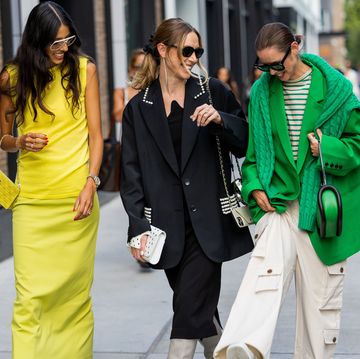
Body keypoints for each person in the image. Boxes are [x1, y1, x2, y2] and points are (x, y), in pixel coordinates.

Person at [214, 22, 360, 359]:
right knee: (261, 281)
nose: (271, 72)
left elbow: (356, 144)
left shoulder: (335, 88)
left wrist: (328, 148)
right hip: (279, 206)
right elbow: (252, 157)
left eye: (277, 64)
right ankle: (242, 348)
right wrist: (254, 188)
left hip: (321, 211)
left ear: (295, 46)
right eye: (263, 66)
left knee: (318, 310)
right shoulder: (263, 92)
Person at [120, 17, 253, 359]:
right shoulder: (139, 108)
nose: (194, 58)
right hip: (166, 228)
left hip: (210, 223)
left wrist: (221, 120)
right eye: (187, 50)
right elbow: (131, 173)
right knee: (200, 313)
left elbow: (246, 142)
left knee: (186, 314)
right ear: (163, 50)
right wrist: (138, 228)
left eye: (198, 51)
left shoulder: (213, 92)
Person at [0, 2, 103, 358]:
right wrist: (19, 141)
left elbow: (96, 136)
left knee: (74, 301)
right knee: (29, 300)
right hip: (31, 204)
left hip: (77, 201)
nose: (62, 49)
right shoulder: (12, 77)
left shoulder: (85, 70)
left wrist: (92, 182)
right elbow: (2, 138)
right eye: (54, 43)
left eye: (67, 40)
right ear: (36, 41)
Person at [112, 48, 145, 141]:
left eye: (146, 67)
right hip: (128, 143)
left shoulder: (155, 92)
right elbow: (118, 117)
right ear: (131, 69)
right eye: (139, 67)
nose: (142, 71)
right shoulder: (121, 92)